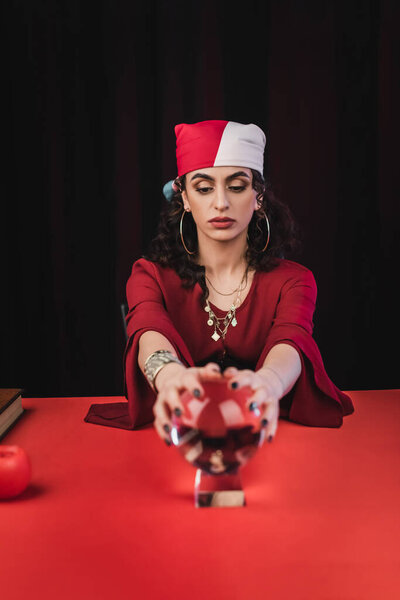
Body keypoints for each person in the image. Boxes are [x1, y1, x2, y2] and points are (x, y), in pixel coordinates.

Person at [84, 120, 354, 440]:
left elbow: (291, 342)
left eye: (237, 186)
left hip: (269, 434)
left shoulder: (295, 281)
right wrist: (171, 380)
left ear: (259, 197)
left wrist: (268, 383)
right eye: (204, 187)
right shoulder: (149, 274)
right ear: (184, 197)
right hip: (173, 435)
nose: (221, 202)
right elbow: (148, 332)